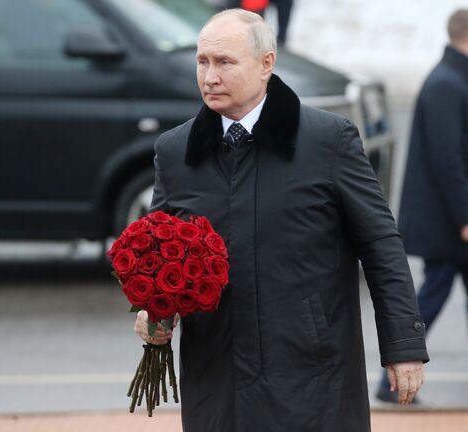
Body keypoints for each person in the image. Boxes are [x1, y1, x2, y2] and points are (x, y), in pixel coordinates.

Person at [135, 9, 428, 431]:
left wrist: (403, 346)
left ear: (266, 64)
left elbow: (381, 244)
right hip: (218, 378)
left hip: (311, 377)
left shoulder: (329, 140)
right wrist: (155, 310)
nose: (209, 76)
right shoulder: (176, 150)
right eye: (203, 62)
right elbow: (160, 253)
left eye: (225, 62)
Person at [376, 8, 468, 404]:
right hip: (449, 221)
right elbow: (449, 159)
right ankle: (391, 381)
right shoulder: (447, 83)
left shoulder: (452, 77)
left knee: (433, 293)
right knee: (430, 295)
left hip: (449, 218)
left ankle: (391, 382)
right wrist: (466, 217)